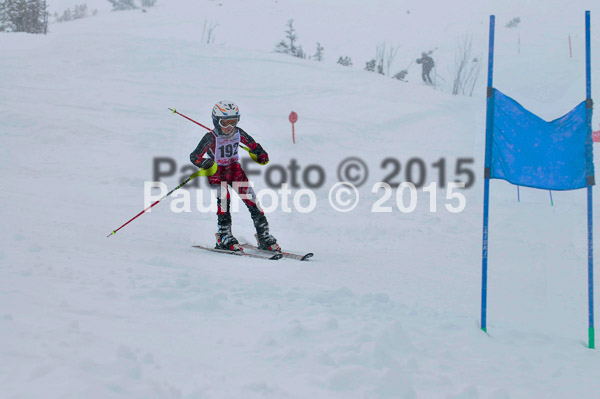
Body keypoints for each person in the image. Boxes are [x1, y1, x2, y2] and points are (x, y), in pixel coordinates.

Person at [189, 101, 280, 252]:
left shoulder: (238, 132)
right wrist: (205, 162)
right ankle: (224, 236)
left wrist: (260, 154)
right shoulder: (210, 137)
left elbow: (253, 145)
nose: (229, 127)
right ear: (216, 122)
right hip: (217, 172)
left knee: (253, 202)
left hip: (235, 170)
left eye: (233, 122)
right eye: (225, 123)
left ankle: (264, 236)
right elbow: (194, 156)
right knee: (224, 203)